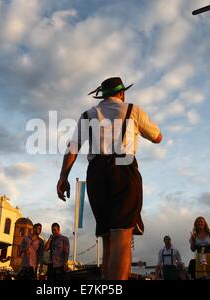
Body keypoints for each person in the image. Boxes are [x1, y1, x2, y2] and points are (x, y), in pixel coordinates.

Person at [57, 77, 162, 280]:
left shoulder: (88, 115)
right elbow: (158, 137)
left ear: (103, 95)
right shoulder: (133, 110)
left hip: (96, 173)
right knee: (122, 240)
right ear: (121, 93)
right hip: (124, 168)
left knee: (108, 242)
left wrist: (63, 177)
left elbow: (73, 147)